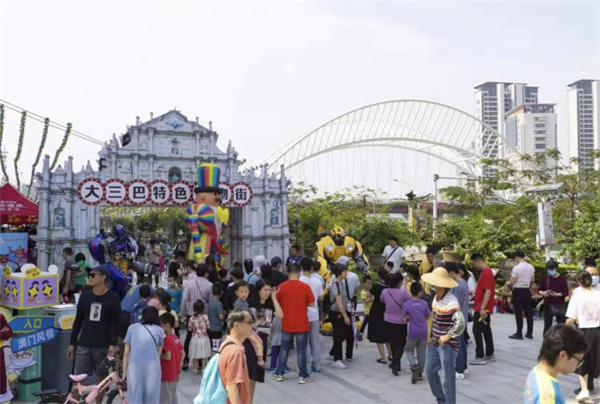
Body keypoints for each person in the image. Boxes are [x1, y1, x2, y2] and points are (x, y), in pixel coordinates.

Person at [68, 265, 120, 404]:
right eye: (89, 275)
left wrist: (113, 344)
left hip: (103, 345)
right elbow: (78, 321)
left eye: (93, 275)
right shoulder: (85, 297)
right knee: (79, 380)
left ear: (103, 277)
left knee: (101, 380)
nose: (90, 278)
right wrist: (72, 343)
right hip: (84, 344)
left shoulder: (113, 298)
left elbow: (116, 323)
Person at [422, 267, 466, 404]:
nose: (433, 286)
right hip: (435, 341)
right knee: (430, 371)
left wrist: (447, 336)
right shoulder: (436, 298)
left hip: (447, 344)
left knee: (448, 378)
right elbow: (434, 318)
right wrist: (430, 335)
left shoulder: (451, 302)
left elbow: (461, 324)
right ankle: (441, 399)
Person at [272, 263, 315, 384]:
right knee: (301, 350)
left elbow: (276, 301)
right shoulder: (305, 287)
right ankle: (302, 376)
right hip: (302, 323)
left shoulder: (282, 286)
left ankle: (279, 373)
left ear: (287, 273)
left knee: (284, 349)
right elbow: (312, 303)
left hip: (287, 323)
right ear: (299, 272)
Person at [524, 324, 587, 404]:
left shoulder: (536, 371)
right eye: (578, 360)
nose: (578, 365)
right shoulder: (548, 396)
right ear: (563, 355)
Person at [566, 271, 600, 403]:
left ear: (579, 282)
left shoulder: (577, 296)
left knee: (582, 361)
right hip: (598, 331)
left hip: (582, 332)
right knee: (598, 361)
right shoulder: (598, 295)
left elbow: (570, 319)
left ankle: (584, 390)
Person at [123, 306, 164, 404]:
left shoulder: (132, 328)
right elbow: (159, 351)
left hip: (135, 368)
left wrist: (124, 372)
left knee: (135, 395)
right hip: (152, 368)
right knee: (151, 396)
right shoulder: (160, 330)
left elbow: (126, 353)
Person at [181, 262, 213, 368]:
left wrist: (184, 312)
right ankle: (201, 361)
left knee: (189, 336)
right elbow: (210, 300)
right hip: (204, 314)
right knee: (204, 336)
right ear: (205, 273)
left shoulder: (190, 283)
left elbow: (184, 299)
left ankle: (185, 360)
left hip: (191, 313)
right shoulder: (209, 285)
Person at [380, 272, 411, 376]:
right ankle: (395, 363)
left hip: (388, 320)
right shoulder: (403, 293)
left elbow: (382, 300)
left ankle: (396, 364)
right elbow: (411, 301)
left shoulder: (385, 291)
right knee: (401, 343)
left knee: (392, 342)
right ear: (400, 282)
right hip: (401, 321)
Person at [219, 309, 253, 404]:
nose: (252, 326)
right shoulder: (236, 352)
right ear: (237, 325)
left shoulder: (226, 344)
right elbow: (231, 386)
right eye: (249, 322)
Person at [470, 253, 495, 365]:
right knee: (486, 330)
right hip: (483, 307)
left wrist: (482, 308)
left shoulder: (487, 273)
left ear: (479, 261)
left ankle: (480, 355)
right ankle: (489, 353)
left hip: (482, 308)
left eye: (474, 263)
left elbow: (488, 292)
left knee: (477, 330)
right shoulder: (486, 272)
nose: (475, 266)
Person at [327, 264, 354, 369]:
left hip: (341, 311)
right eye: (344, 271)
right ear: (339, 273)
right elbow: (338, 302)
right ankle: (337, 359)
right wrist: (345, 316)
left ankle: (332, 353)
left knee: (342, 334)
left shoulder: (341, 283)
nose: (346, 273)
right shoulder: (336, 285)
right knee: (339, 335)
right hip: (336, 312)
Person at [300, 258, 324, 372]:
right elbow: (321, 297)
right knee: (315, 339)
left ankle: (307, 365)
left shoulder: (299, 280)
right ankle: (316, 364)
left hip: (302, 314)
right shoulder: (317, 280)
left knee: (304, 341)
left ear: (301, 267)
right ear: (312, 268)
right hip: (314, 313)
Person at [446, 262, 470, 380]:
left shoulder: (457, 286)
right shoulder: (464, 283)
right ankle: (463, 366)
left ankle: (459, 369)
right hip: (463, 317)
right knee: (462, 343)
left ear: (452, 273)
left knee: (457, 345)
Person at [404, 282, 430, 384]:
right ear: (420, 292)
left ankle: (414, 366)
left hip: (413, 331)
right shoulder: (424, 303)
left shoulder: (407, 304)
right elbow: (428, 316)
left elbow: (404, 320)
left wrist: (410, 319)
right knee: (421, 353)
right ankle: (420, 373)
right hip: (423, 331)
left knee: (408, 349)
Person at [509, 250, 535, 340]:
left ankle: (519, 333)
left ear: (517, 257)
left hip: (518, 291)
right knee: (528, 312)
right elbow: (532, 280)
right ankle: (529, 333)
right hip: (527, 291)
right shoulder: (531, 267)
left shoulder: (516, 268)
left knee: (518, 313)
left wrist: (510, 281)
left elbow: (513, 280)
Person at [160, 312, 184, 404]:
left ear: (166, 326)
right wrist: (179, 368)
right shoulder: (175, 338)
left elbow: (168, 356)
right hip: (174, 373)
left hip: (166, 374)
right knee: (173, 398)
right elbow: (183, 353)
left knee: (165, 400)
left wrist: (157, 354)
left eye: (161, 325)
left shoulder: (166, 340)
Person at [539, 260, 569, 335]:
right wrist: (543, 293)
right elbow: (540, 289)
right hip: (548, 303)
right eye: (548, 269)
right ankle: (546, 340)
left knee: (561, 325)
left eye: (552, 269)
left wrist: (557, 294)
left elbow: (565, 292)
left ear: (556, 268)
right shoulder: (545, 277)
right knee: (547, 325)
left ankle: (561, 340)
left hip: (559, 304)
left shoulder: (562, 278)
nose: (550, 271)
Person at [369, 268, 392, 364]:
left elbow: (369, 295)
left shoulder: (377, 286)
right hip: (387, 311)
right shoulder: (389, 286)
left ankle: (383, 357)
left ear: (379, 276)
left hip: (377, 311)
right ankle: (391, 354)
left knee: (378, 335)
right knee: (387, 334)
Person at [188, 301, 212, 375]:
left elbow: (189, 328)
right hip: (204, 338)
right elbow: (208, 326)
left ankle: (195, 369)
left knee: (194, 354)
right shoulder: (205, 317)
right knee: (204, 354)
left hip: (195, 338)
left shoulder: (192, 318)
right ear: (203, 308)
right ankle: (203, 369)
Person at [208, 284, 225, 352]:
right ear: (221, 293)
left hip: (210, 327)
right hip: (217, 328)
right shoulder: (219, 304)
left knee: (212, 347)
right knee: (217, 348)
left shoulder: (209, 303)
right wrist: (225, 315)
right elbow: (221, 317)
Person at [358, 276, 373, 341]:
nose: (369, 285)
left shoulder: (371, 290)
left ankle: (362, 334)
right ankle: (360, 334)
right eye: (368, 283)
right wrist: (371, 298)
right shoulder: (363, 292)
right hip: (368, 311)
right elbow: (365, 301)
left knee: (368, 323)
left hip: (373, 310)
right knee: (365, 323)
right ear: (364, 284)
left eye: (370, 283)